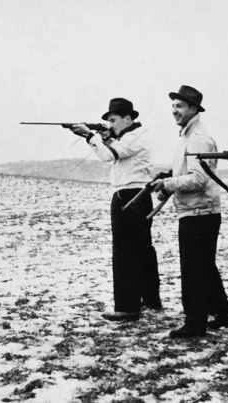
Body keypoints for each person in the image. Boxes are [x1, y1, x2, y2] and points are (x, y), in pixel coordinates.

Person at [151, 85, 228, 338]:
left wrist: (169, 184)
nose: (174, 111)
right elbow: (188, 174)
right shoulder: (189, 135)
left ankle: (195, 323)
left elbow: (198, 179)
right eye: (173, 106)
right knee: (204, 266)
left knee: (193, 270)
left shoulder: (198, 137)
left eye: (179, 106)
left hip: (200, 212)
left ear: (193, 108)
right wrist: (169, 183)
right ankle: (223, 314)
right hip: (197, 210)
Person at [69, 98, 161, 322]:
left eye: (113, 120)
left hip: (129, 195)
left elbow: (108, 156)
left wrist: (89, 136)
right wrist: (106, 138)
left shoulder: (133, 137)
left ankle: (127, 306)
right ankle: (149, 299)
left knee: (125, 251)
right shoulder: (131, 137)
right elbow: (115, 151)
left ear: (128, 119)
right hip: (137, 195)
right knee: (141, 249)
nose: (110, 125)